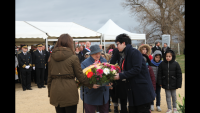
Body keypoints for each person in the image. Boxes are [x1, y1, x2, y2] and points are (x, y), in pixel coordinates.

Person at [47, 34, 100, 113]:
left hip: (55, 90)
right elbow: (80, 76)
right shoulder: (73, 57)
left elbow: (49, 77)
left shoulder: (51, 57)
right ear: (69, 43)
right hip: (69, 91)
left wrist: (50, 93)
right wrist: (91, 84)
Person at [113, 33, 156, 113]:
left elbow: (136, 69)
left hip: (142, 93)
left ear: (123, 43)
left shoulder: (134, 52)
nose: (117, 46)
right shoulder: (127, 54)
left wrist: (121, 75)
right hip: (134, 93)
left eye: (117, 44)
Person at [80, 44, 110, 113]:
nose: (98, 55)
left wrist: (109, 81)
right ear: (91, 54)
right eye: (95, 54)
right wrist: (90, 85)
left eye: (99, 53)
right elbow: (81, 78)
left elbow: (109, 74)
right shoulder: (85, 63)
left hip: (103, 94)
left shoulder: (104, 61)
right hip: (91, 94)